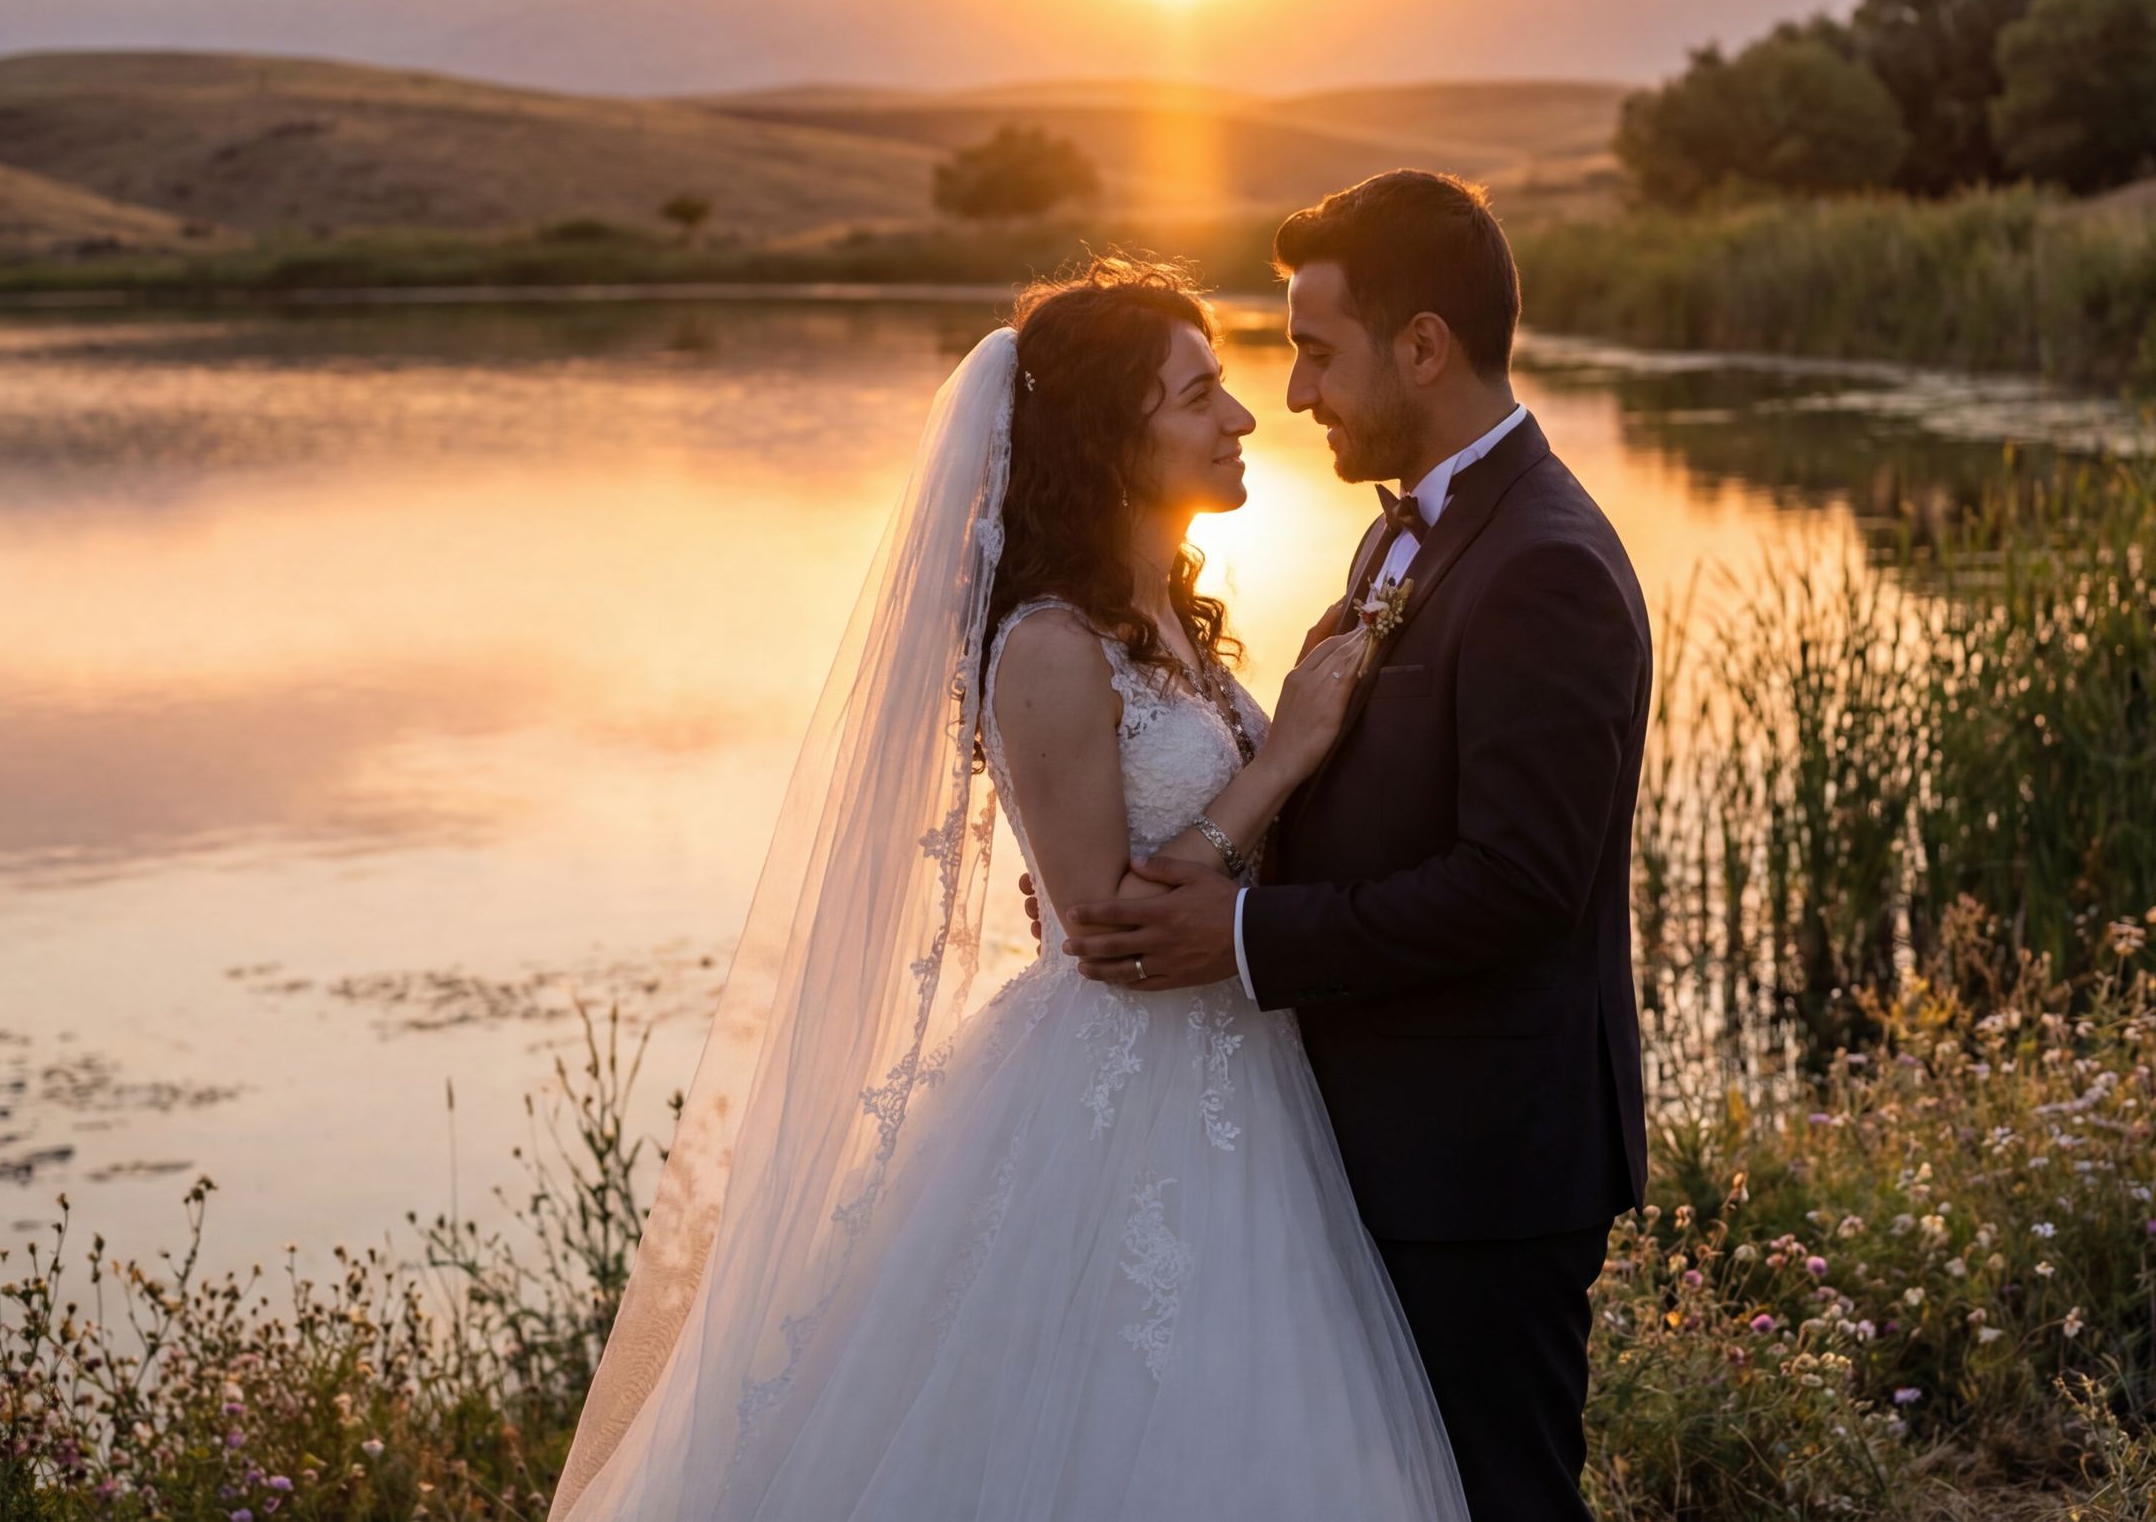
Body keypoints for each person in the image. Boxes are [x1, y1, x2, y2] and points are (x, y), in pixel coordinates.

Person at [549, 256, 1467, 1522]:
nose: (1243, 417)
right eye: (1198, 395)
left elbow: (1184, 857)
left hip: (1244, 1072)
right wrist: (1293, 750)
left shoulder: (1179, 626)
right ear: (1108, 436)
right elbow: (1104, 924)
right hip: (1117, 1092)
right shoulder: (1045, 643)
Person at [1059, 171, 1653, 1522]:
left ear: (1425, 346)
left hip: (1482, 1159)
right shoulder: (1411, 527)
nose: (1300, 391)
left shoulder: (1542, 563)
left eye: (1317, 350)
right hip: (1385, 1130)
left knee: (1498, 1496)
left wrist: (1246, 935)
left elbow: (1521, 883)